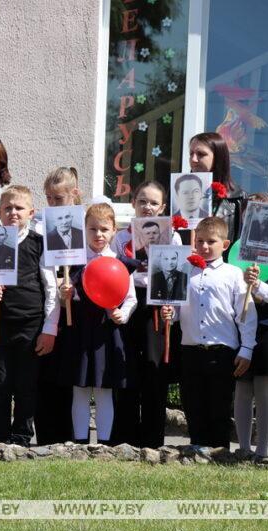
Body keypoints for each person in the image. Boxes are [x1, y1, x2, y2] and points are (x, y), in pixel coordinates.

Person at [0, 186, 59, 445]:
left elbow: (50, 287)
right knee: (0, 381)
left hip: (30, 324)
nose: (13, 213)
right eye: (8, 208)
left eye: (19, 208)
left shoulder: (39, 244)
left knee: (26, 383)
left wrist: (50, 328)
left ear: (31, 212)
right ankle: (0, 434)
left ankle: (21, 435)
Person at [161, 217, 256, 448]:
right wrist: (169, 314)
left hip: (222, 351)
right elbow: (176, 308)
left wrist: (246, 348)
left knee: (219, 405)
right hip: (191, 349)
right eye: (200, 241)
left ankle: (219, 451)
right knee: (193, 404)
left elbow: (246, 314)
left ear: (225, 244)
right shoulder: (185, 271)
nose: (204, 246)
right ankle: (197, 449)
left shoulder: (234, 274)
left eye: (210, 242)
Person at [109, 180, 183, 449]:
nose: (148, 207)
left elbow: (175, 277)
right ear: (133, 204)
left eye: (154, 203)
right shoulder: (121, 237)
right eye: (142, 201)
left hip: (157, 305)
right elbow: (115, 274)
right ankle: (125, 437)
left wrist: (170, 311)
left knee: (155, 370)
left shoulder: (172, 237)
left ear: (163, 207)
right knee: (127, 368)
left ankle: (152, 440)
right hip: (129, 301)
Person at [59, 203, 136, 445]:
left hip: (106, 330)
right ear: (84, 230)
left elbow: (131, 297)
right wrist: (66, 295)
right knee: (80, 388)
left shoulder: (119, 263)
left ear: (114, 230)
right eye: (93, 229)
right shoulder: (74, 262)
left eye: (104, 229)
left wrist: (123, 313)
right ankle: (80, 441)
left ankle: (104, 443)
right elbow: (65, 299)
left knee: (104, 388)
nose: (98, 234)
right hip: (80, 327)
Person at [31, 167, 81, 445]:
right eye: (48, 197)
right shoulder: (42, 227)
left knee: (70, 382)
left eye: (58, 198)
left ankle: (71, 439)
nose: (52, 203)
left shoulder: (85, 225)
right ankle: (47, 439)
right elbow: (48, 280)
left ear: (73, 194)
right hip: (51, 312)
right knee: (47, 380)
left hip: (78, 315)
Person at [240, 243, 268, 464]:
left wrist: (258, 284)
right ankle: (243, 448)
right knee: (242, 387)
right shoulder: (242, 248)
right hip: (242, 326)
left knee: (264, 392)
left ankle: (262, 451)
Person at [190, 131, 246, 246]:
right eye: (191, 153)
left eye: (201, 154)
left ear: (218, 157)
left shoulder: (238, 198)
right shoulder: (178, 192)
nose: (193, 159)